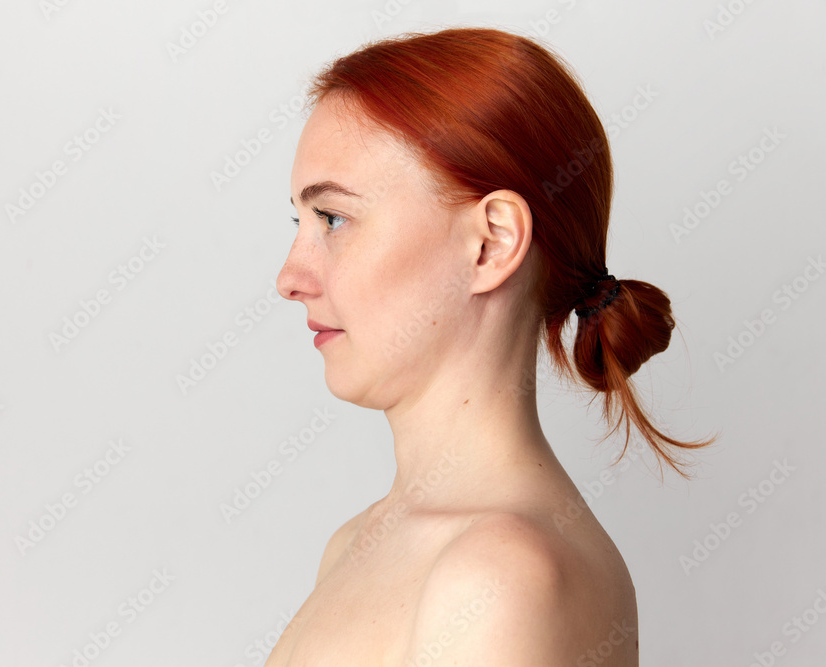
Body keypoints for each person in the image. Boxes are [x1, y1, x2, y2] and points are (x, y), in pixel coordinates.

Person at [270, 26, 715, 665]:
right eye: (300, 222)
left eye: (333, 219)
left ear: (491, 243)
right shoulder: (355, 545)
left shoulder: (501, 578)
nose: (290, 278)